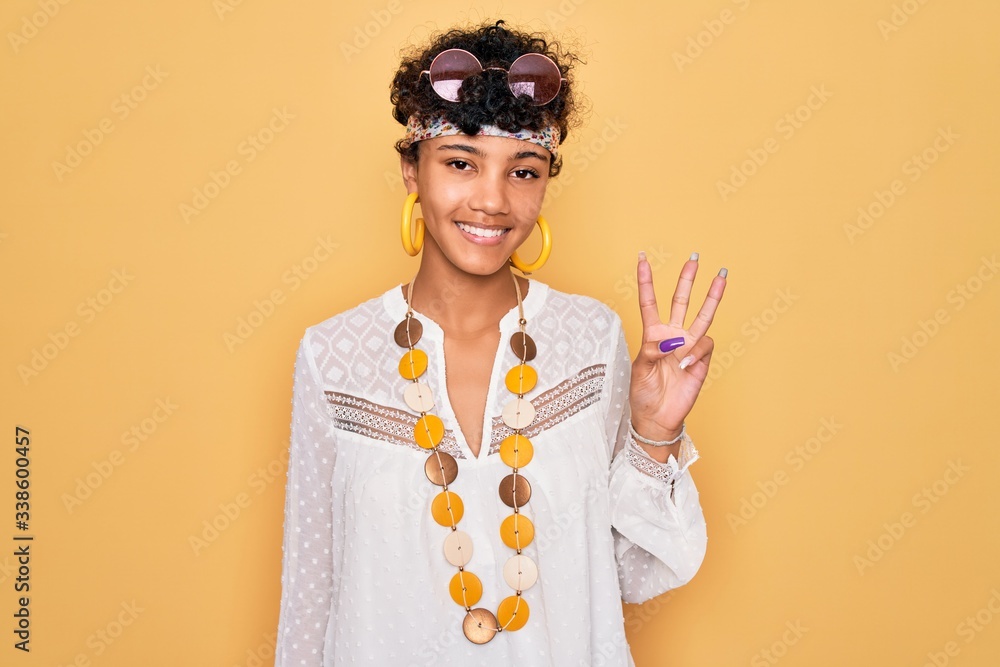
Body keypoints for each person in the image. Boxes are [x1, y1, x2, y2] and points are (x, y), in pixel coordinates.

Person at [275, 19, 727, 666]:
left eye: (523, 171)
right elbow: (309, 597)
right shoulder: (331, 355)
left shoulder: (591, 340)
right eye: (461, 163)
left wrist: (655, 435)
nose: (492, 200)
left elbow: (631, 573)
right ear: (411, 171)